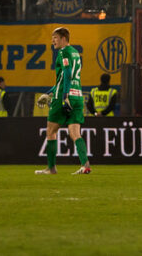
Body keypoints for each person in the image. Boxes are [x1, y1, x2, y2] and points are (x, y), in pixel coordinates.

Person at [37, 26, 91, 175]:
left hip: (63, 96)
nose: (52, 41)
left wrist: (64, 96)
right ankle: (85, 165)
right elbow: (64, 78)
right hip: (78, 95)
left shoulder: (63, 52)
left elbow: (67, 74)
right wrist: (48, 93)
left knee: (51, 131)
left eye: (55, 38)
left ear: (63, 38)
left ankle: (51, 168)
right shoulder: (75, 52)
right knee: (75, 133)